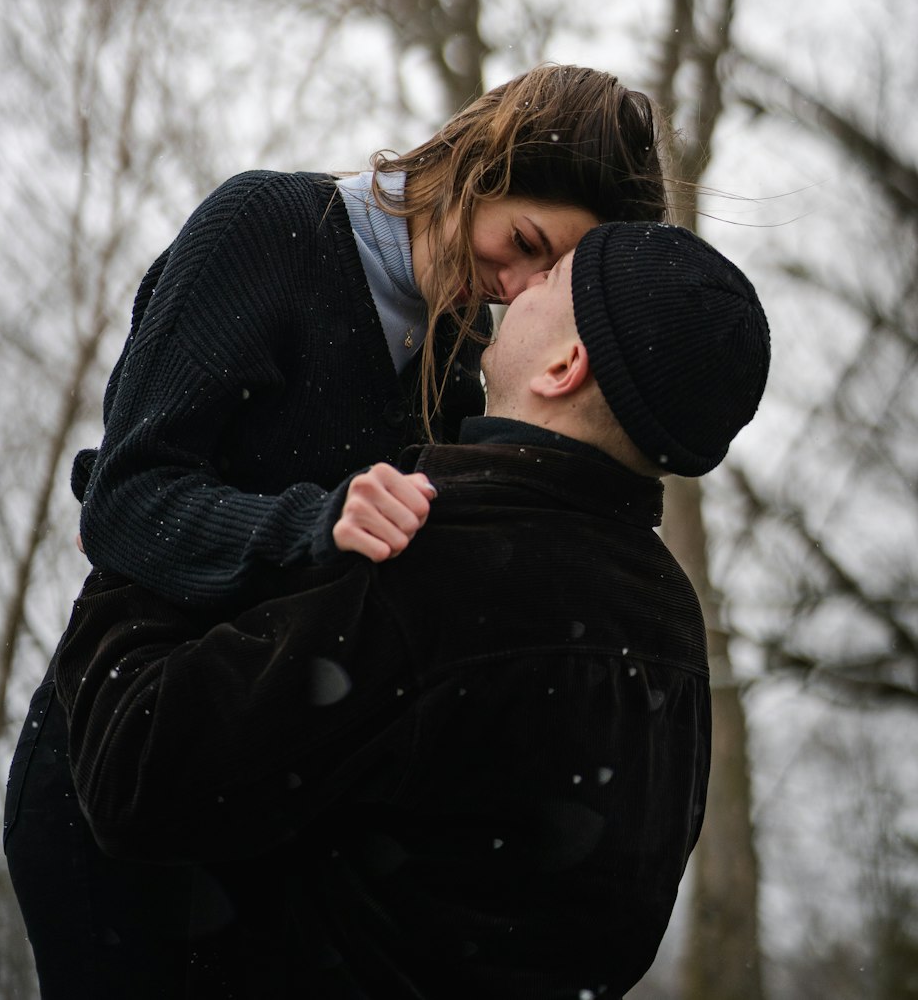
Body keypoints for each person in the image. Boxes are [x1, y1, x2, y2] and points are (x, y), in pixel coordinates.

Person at [4, 64, 667, 999]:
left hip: (261, 818)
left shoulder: (465, 357)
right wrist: (314, 523)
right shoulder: (264, 229)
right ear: (481, 159)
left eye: (546, 277)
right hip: (115, 779)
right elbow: (124, 503)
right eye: (523, 242)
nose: (515, 288)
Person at [54, 220, 771, 1000]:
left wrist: (142, 529)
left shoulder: (443, 564)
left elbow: (137, 769)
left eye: (552, 280)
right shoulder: (673, 627)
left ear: (566, 366)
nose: (518, 284)